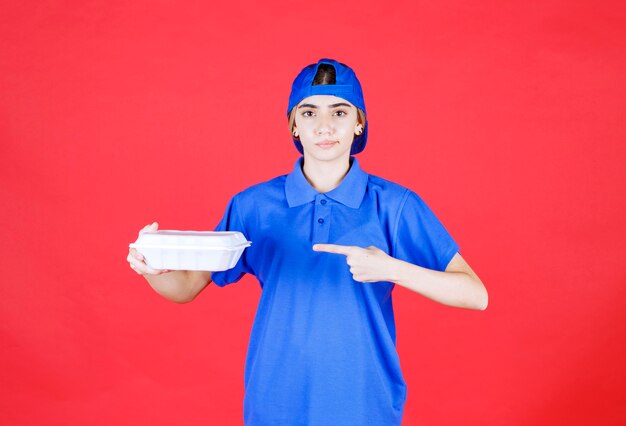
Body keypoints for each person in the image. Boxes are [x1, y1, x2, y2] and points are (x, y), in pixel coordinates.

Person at [127, 58, 488, 425]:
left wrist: (391, 268)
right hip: (274, 404)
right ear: (294, 126)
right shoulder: (253, 206)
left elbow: (475, 294)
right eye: (310, 113)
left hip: (364, 405)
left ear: (359, 122)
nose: (325, 126)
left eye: (340, 112)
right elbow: (187, 286)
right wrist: (153, 269)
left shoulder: (393, 206)